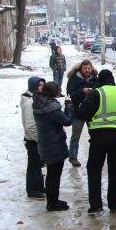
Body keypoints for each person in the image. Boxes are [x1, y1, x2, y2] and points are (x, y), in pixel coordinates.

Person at [78, 69, 116, 213]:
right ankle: (114, 204)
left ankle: (96, 205)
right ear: (113, 79)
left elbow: (83, 113)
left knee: (94, 170)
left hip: (98, 138)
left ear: (100, 80)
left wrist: (92, 120)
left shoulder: (97, 92)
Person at [32, 80, 72, 211]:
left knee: (51, 174)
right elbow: (67, 121)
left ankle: (52, 200)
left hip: (45, 143)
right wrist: (68, 105)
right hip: (54, 145)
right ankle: (53, 203)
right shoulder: (52, 109)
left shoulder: (38, 103)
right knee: (54, 175)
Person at [64, 59, 98, 168]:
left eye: (89, 68)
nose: (87, 70)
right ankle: (73, 157)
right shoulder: (73, 79)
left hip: (91, 112)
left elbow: (101, 92)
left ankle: (95, 155)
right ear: (81, 68)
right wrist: (82, 91)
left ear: (91, 68)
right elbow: (70, 95)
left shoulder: (95, 79)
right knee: (75, 136)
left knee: (95, 135)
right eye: (85, 68)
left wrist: (93, 91)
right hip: (78, 111)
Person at [19, 76, 45, 200]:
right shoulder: (30, 103)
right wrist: (38, 139)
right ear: (34, 86)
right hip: (33, 139)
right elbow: (30, 125)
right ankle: (33, 190)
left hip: (34, 138)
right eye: (40, 85)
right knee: (34, 165)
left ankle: (39, 187)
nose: (43, 87)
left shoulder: (33, 99)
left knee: (37, 164)